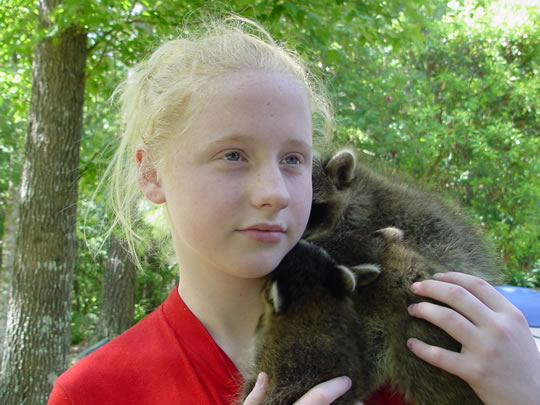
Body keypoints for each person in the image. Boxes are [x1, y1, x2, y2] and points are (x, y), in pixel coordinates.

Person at [48, 15, 540, 405]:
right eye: (233, 156)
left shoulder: (444, 342)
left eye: (293, 160)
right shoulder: (94, 391)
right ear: (152, 173)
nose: (275, 192)